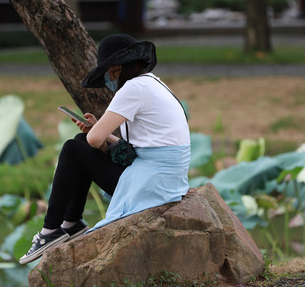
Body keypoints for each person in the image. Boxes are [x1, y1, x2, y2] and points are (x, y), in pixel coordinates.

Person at [19, 34, 190, 265]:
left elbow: (94, 140)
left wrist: (96, 132)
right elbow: (138, 145)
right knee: (80, 140)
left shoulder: (132, 89)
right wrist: (96, 131)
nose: (108, 78)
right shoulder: (153, 82)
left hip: (152, 182)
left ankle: (51, 229)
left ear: (117, 68)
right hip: (165, 177)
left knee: (73, 148)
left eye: (108, 71)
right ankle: (71, 223)